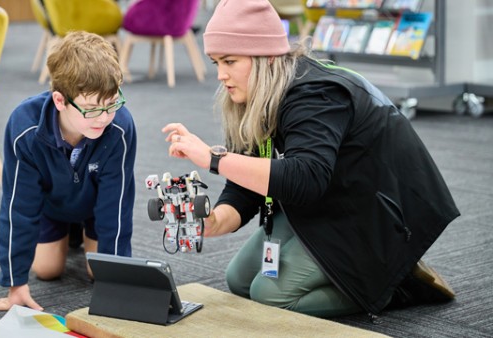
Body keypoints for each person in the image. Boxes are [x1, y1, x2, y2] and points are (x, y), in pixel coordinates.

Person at [162, 0, 459, 318]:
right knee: (239, 280)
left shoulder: (315, 94)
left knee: (270, 295)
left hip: (374, 212)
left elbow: (305, 178)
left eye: (230, 61)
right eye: (216, 62)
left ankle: (396, 284)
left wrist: (213, 158)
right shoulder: (253, 93)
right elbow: (251, 181)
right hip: (327, 198)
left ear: (264, 56)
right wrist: (217, 220)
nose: (221, 75)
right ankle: (367, 275)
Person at [0, 31, 136, 311]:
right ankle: (67, 231)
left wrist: (116, 282)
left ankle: (82, 231)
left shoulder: (119, 128)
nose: (103, 117)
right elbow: (19, 208)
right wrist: (15, 284)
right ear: (60, 101)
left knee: (99, 273)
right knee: (47, 271)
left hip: (95, 205)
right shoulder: (24, 129)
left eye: (111, 103)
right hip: (51, 206)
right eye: (90, 109)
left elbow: (117, 207)